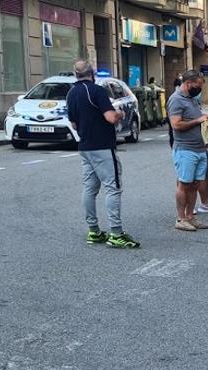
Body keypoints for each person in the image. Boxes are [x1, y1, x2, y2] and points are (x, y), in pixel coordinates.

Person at [66, 59, 138, 249]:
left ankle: (94, 230)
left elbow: (73, 124)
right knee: (112, 187)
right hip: (102, 146)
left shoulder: (71, 93)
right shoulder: (97, 91)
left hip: (85, 146)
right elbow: (110, 117)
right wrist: (120, 113)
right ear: (92, 73)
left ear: (75, 74)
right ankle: (116, 232)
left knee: (90, 188)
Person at [168, 69, 208, 232]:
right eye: (198, 85)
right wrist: (198, 120)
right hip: (185, 149)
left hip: (199, 148)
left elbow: (195, 118)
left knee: (195, 184)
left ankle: (190, 216)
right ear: (188, 83)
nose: (200, 88)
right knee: (184, 184)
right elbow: (176, 125)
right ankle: (181, 218)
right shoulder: (176, 100)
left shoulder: (192, 99)